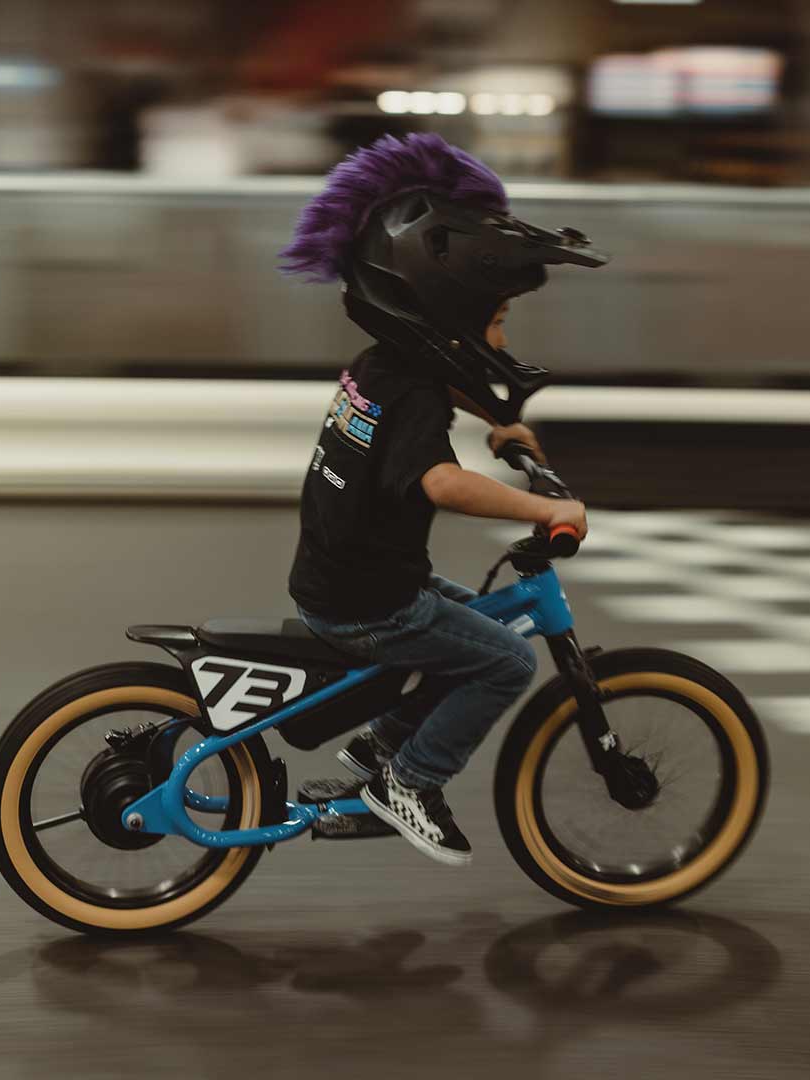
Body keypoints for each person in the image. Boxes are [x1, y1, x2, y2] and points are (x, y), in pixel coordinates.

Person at [280, 132, 607, 866]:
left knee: (475, 626)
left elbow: (439, 392)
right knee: (505, 662)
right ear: (447, 310)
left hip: (350, 575)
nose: (499, 335)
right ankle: (411, 781)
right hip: (373, 602)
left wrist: (501, 422)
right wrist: (544, 509)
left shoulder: (381, 364)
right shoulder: (417, 392)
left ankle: (380, 746)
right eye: (494, 319)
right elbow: (441, 482)